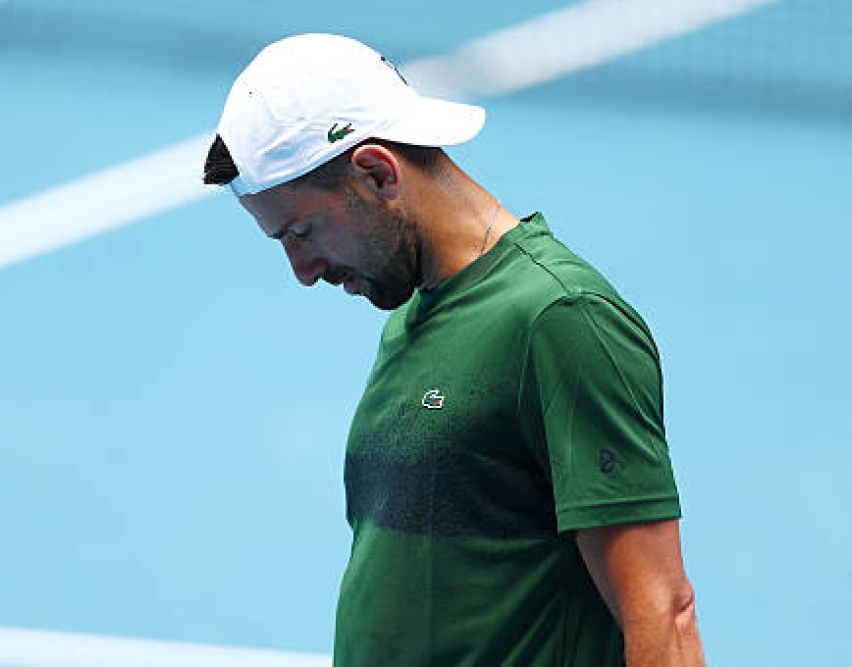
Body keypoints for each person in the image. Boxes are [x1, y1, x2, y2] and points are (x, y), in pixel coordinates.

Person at [203, 33, 704, 667]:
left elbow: (663, 612)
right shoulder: (414, 313)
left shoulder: (559, 319)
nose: (301, 269)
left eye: (301, 231)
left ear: (378, 173)